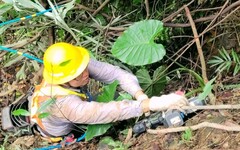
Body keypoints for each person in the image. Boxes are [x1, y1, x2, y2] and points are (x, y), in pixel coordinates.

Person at [29, 42, 188, 141]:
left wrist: (140, 94)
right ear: (63, 80)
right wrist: (151, 104)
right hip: (57, 130)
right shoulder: (63, 104)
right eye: (79, 75)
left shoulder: (76, 66)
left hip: (72, 106)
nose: (86, 74)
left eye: (85, 68)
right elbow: (106, 111)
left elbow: (115, 74)